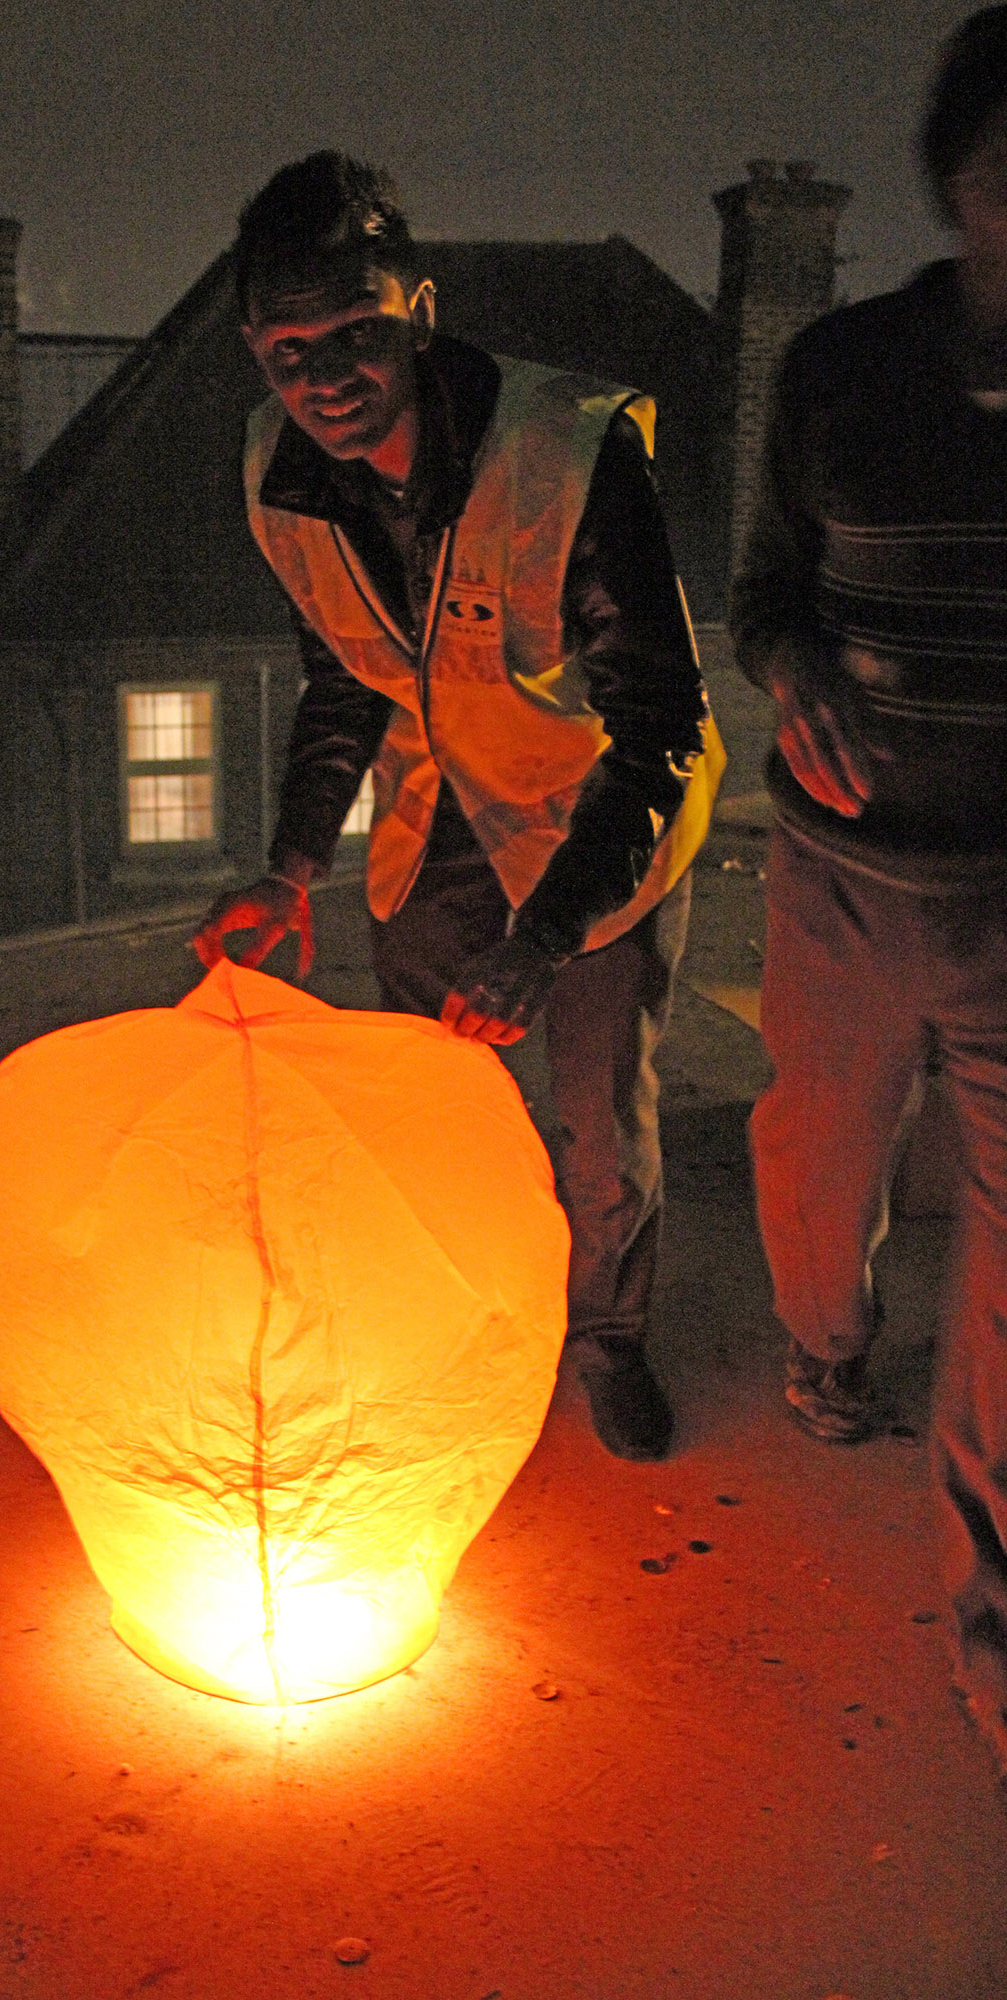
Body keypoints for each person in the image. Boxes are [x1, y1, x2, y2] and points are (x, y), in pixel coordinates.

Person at [194, 152, 725, 1462]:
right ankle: (448, 1311)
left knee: (599, 1124)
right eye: (284, 349)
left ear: (419, 309)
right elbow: (343, 672)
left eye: (355, 333)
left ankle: (604, 1339)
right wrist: (288, 864)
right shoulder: (279, 472)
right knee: (426, 1103)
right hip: (434, 824)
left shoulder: (564, 455)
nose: (321, 377)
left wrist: (544, 939)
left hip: (597, 826)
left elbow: (658, 730)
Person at [731, 9, 1007, 1777]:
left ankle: (990, 1622)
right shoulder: (840, 372)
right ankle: (827, 1347)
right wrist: (790, 670)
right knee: (810, 1166)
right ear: (956, 176)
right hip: (836, 884)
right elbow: (761, 588)